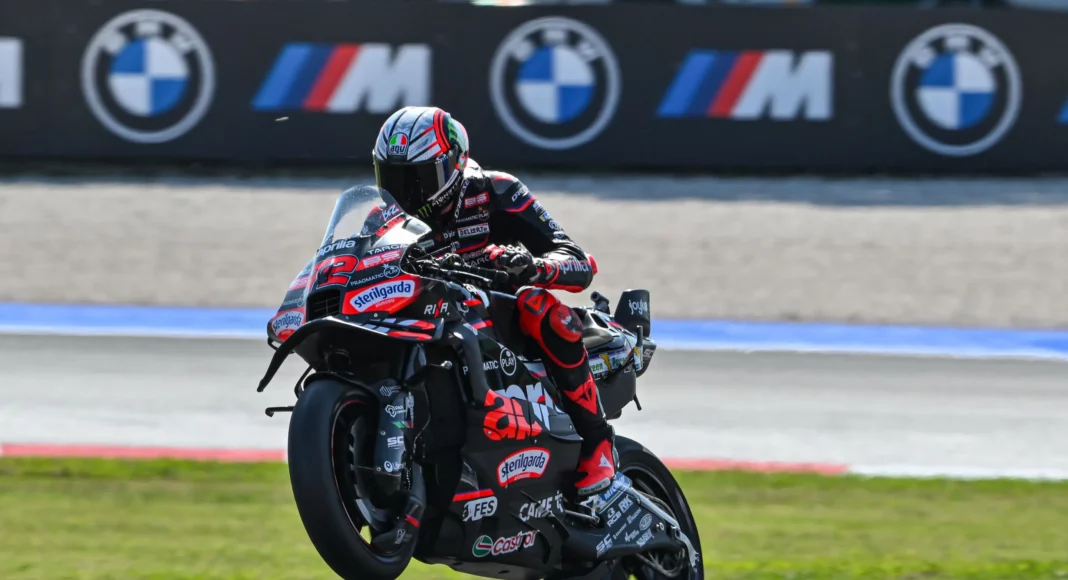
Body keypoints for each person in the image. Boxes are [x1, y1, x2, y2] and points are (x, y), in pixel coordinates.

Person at [371, 105, 617, 496]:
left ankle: (598, 442)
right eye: (394, 179)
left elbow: (578, 262)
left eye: (418, 178)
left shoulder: (496, 190)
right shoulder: (382, 219)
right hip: (431, 321)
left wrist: (532, 266)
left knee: (537, 306)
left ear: (453, 164)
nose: (406, 193)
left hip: (501, 324)